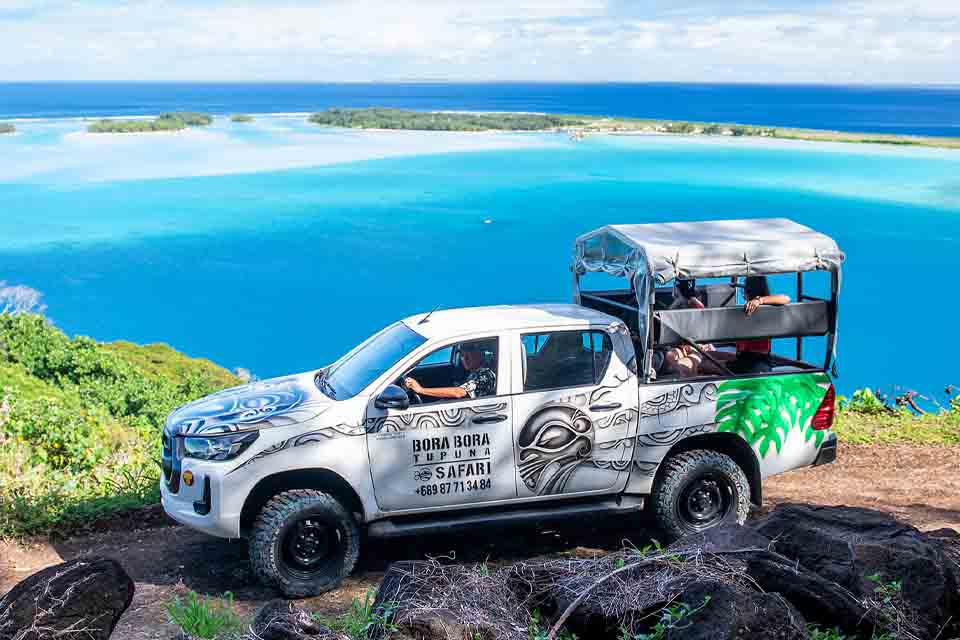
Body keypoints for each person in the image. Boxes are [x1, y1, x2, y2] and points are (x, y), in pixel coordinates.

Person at [663, 275, 791, 378]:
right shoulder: (762, 309)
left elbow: (786, 298)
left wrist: (759, 300)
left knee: (700, 365)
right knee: (708, 354)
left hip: (749, 365)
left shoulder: (747, 311)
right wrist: (760, 300)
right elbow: (785, 298)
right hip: (752, 360)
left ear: (747, 291)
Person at [404, 342, 496, 400]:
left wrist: (421, 390)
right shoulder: (473, 372)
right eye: (462, 355)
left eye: (469, 354)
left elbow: (459, 393)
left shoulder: (486, 374)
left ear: (480, 354)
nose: (465, 359)